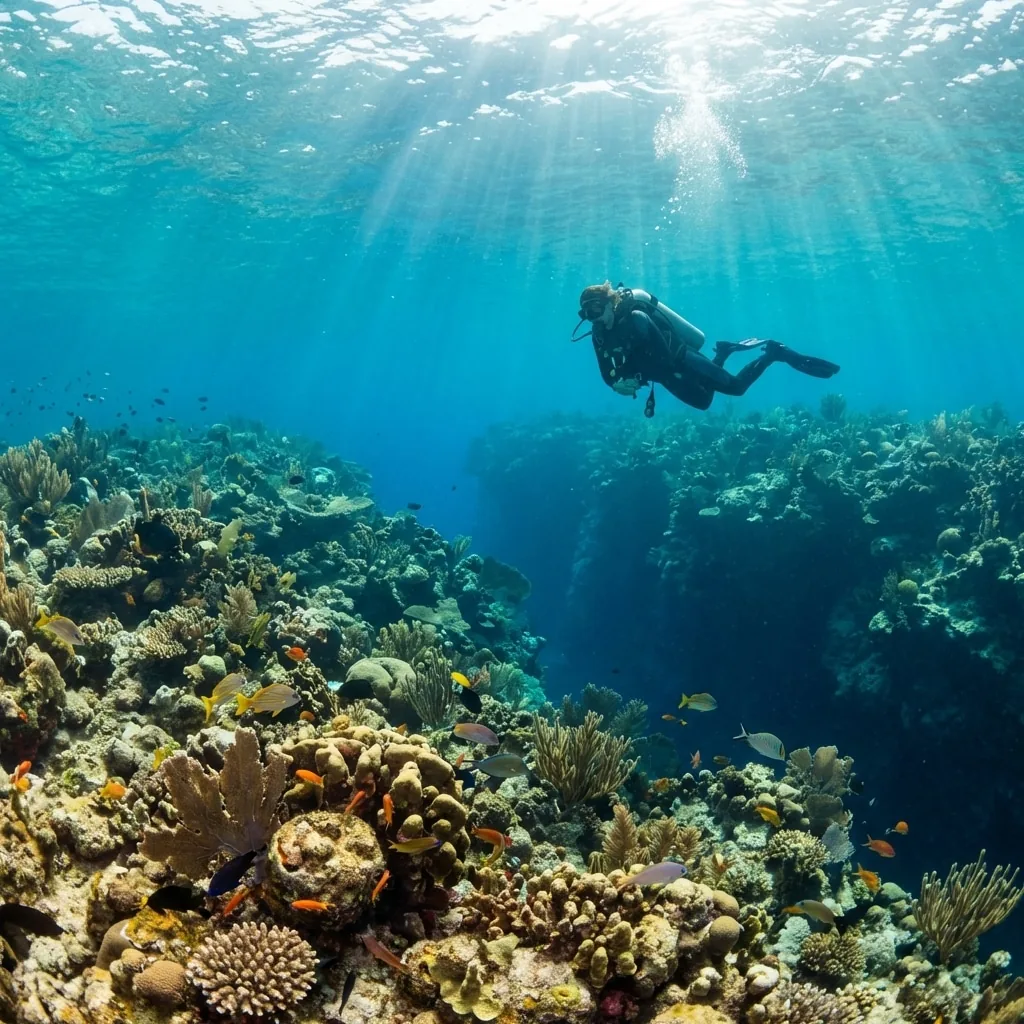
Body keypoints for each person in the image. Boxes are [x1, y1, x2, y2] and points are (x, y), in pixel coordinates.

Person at [573, 282, 839, 415]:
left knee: (736, 388)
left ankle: (773, 353)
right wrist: (617, 384)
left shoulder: (637, 319)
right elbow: (607, 375)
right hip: (663, 376)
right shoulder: (599, 335)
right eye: (587, 314)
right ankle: (722, 352)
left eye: (596, 309)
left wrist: (633, 378)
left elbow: (664, 359)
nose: (594, 318)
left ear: (610, 303)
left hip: (682, 360)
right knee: (704, 402)